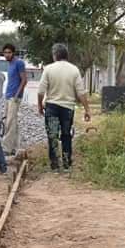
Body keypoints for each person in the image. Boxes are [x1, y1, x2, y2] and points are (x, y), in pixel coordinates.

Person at [36, 43, 92, 172]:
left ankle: (55, 165)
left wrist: (39, 105)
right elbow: (81, 92)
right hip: (68, 109)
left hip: (52, 108)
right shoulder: (74, 70)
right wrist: (87, 109)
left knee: (53, 136)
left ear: (55, 55)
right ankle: (67, 164)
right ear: (66, 55)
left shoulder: (49, 69)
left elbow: (40, 91)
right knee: (66, 135)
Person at [2, 44, 27, 156]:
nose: (7, 54)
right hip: (8, 95)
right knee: (12, 122)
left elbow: (24, 80)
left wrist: (17, 94)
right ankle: (15, 147)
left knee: (9, 123)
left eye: (9, 52)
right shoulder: (10, 64)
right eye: (5, 52)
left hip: (14, 96)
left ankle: (6, 148)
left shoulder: (19, 63)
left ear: (13, 53)